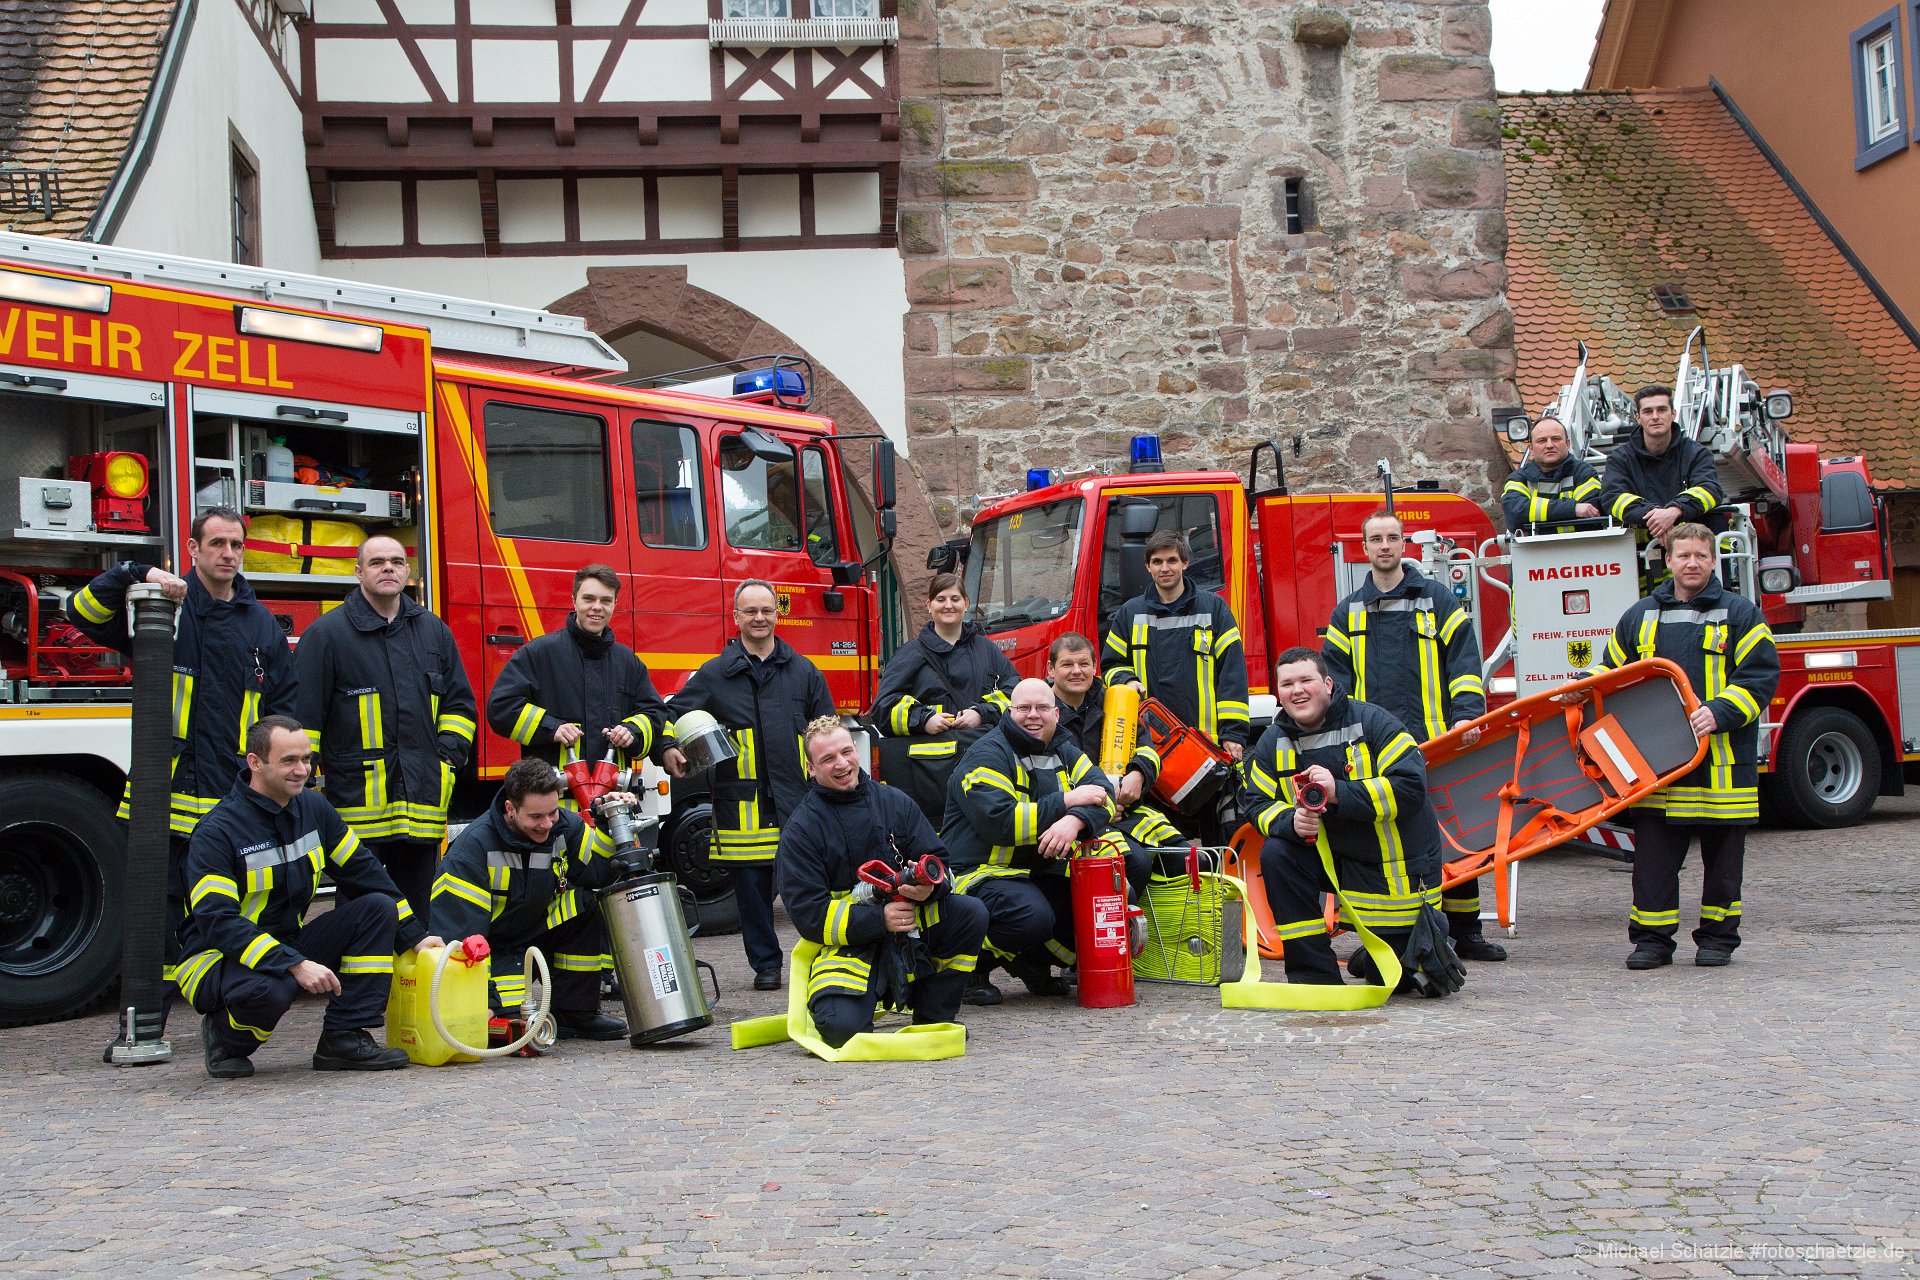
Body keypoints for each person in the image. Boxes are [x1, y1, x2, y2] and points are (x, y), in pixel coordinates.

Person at [65, 506, 297, 969]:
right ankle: (156, 1002)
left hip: (232, 795)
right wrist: (137, 573)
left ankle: (219, 992)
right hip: (164, 793)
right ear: (193, 548)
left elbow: (283, 709)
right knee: (158, 906)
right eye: (217, 543)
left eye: (236, 545)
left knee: (228, 901)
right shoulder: (161, 607)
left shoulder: (261, 624)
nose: (228, 553)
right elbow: (81, 611)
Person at [172, 715, 441, 1077]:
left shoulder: (314, 809)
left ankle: (344, 1037)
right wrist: (294, 963)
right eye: (289, 761)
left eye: (307, 759)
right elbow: (218, 922)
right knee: (272, 988)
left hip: (286, 943)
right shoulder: (217, 832)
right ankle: (225, 1038)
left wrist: (415, 937)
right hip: (216, 957)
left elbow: (366, 874)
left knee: (377, 908)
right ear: (255, 762)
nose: (302, 771)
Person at [1321, 510, 1503, 963]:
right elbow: (1335, 685)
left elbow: (1464, 663)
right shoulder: (1347, 612)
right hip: (1371, 752)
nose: (1384, 546)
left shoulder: (1437, 600)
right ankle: (1386, 932)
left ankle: (1466, 931)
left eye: (1392, 538)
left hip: (1433, 744)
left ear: (1405, 545)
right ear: (1365, 548)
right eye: (1376, 539)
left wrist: (1467, 718)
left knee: (1452, 836)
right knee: (1381, 841)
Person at [1597, 523, 1778, 970]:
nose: (1692, 563)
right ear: (1668, 560)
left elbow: (1759, 678)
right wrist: (1582, 687)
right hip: (1659, 766)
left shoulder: (1741, 614)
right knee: (1653, 864)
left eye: (1700, 555)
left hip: (1722, 765)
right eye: (1683, 555)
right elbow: (1611, 674)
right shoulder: (1639, 616)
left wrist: (1720, 711)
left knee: (1723, 866)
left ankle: (1717, 940)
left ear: (1713, 560)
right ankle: (1652, 942)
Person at [1240, 649, 1451, 989]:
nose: (1297, 691)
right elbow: (1256, 802)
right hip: (1330, 859)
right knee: (1277, 853)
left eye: (1306, 680)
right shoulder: (1273, 741)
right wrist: (1290, 822)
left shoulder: (1374, 723)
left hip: (1390, 866)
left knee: (1397, 980)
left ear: (1327, 684)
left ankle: (1384, 954)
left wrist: (1338, 791)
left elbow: (1412, 787)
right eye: (1287, 684)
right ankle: (1314, 975)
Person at [662, 579, 835, 992]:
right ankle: (766, 965)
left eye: (767, 610)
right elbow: (671, 714)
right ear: (736, 617)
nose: (760, 618)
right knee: (752, 893)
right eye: (751, 611)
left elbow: (827, 730)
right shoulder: (714, 674)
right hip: (743, 805)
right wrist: (668, 746)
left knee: (811, 886)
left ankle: (825, 960)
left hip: (798, 800)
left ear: (777, 614)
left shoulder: (803, 671)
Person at [776, 717, 991, 1048]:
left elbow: (940, 863)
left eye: (846, 752)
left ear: (856, 750)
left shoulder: (894, 801)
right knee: (842, 1032)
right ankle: (844, 1005)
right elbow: (809, 915)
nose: (841, 764)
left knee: (969, 912)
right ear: (811, 769)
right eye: (828, 759)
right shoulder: (802, 830)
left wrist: (930, 888)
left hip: (908, 933)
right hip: (848, 947)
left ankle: (934, 1014)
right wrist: (880, 919)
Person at [295, 535, 476, 919]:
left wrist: (446, 759)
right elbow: (303, 720)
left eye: (396, 561)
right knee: (363, 914)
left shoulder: (434, 632)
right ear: (358, 572)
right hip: (357, 809)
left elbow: (459, 706)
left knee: (418, 914)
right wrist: (301, 785)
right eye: (377, 562)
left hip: (422, 807)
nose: (388, 568)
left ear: (408, 571)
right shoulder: (327, 635)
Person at [943, 677, 1117, 1003]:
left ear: (1056, 714)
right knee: (1030, 916)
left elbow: (1104, 793)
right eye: (1024, 708)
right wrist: (1067, 800)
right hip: (978, 875)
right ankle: (965, 969)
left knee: (1102, 902)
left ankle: (1030, 962)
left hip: (1033, 872)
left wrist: (1074, 821)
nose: (1033, 715)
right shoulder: (986, 754)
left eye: (1041, 708)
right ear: (1010, 712)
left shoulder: (1063, 748)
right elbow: (1001, 823)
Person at [429, 757, 629, 1039]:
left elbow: (598, 872)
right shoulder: (472, 851)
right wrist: (484, 1003)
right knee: (512, 1028)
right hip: (492, 951)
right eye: (535, 817)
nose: (546, 824)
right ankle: (502, 1007)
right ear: (510, 808)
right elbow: (460, 937)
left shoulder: (565, 826)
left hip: (532, 933)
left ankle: (574, 1012)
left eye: (552, 813)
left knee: (583, 904)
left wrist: (607, 823)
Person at [1101, 530, 1250, 841]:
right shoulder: (1130, 613)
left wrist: (1234, 734)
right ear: (1147, 566)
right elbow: (1110, 666)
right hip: (1151, 748)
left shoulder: (1214, 609)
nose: (1164, 568)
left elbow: (1232, 674)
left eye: (1171, 560)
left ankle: (1215, 874)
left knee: (1216, 834)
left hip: (1205, 747)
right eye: (1157, 561)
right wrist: (1127, 680)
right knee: (1162, 835)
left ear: (1185, 563)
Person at [486, 564, 671, 785]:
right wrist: (551, 727)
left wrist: (632, 731)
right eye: (589, 599)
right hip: (551, 799)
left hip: (612, 800)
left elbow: (654, 712)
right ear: (574, 601)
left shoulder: (627, 662)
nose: (597, 607)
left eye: (605, 601)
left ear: (615, 604)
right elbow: (501, 707)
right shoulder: (540, 653)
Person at [871, 571, 1020, 824]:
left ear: (966, 603)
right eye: (940, 599)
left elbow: (1015, 694)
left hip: (983, 769)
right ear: (929, 605)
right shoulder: (911, 653)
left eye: (955, 598)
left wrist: (981, 713)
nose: (948, 605)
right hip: (929, 779)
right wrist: (923, 719)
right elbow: (883, 707)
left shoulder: (987, 650)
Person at [1047, 631, 1184, 896]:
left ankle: (1161, 922)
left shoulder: (1114, 701)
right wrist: (1099, 807)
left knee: (1183, 857)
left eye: (1084, 664)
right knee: (1135, 864)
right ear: (1051, 669)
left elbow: (1147, 749)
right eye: (1067, 664)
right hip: (1075, 817)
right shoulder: (1041, 711)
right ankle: (1117, 921)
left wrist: (1138, 774)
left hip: (1126, 809)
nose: (1077, 671)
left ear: (1095, 667)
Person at [1601, 384, 1727, 581]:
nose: (1655, 416)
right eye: (1648, 411)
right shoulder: (1620, 459)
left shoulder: (1696, 453)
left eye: (1661, 410)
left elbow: (1710, 490)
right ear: (1638, 417)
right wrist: (1656, 516)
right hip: (1645, 563)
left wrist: (1674, 511)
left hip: (1700, 565)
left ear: (1673, 414)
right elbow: (1612, 497)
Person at [1501, 414, 1603, 533]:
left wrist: (1535, 517)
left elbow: (1591, 514)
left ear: (1568, 444)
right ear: (1531, 449)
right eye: (1542, 440)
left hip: (1579, 544)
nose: (1549, 445)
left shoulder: (1584, 473)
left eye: (1556, 439)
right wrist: (1573, 508)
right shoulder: (1518, 479)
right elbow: (1515, 512)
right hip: (1538, 546)